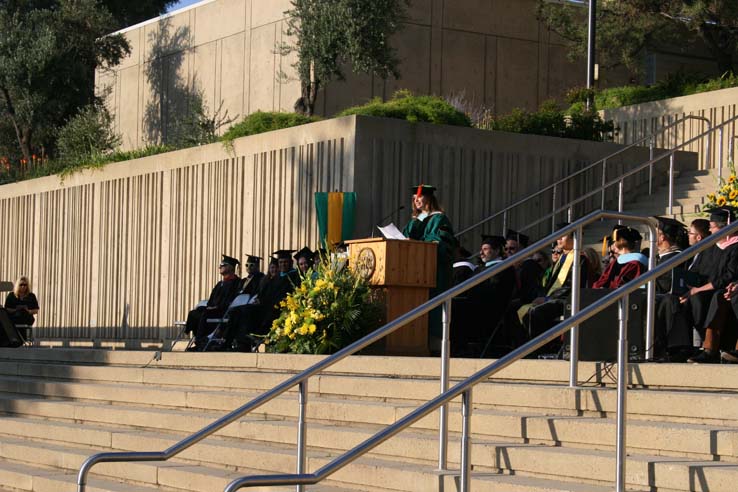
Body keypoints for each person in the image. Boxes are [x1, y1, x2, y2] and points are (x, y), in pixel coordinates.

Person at [516, 223, 589, 350]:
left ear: (574, 238)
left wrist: (547, 299)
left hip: (566, 300)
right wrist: (542, 297)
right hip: (552, 298)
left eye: (563, 236)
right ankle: (517, 350)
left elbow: (572, 286)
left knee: (536, 312)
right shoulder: (562, 257)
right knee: (515, 308)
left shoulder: (580, 259)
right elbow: (550, 284)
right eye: (558, 236)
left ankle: (538, 350)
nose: (559, 239)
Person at [402, 184, 456, 353]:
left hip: (434, 273)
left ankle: (435, 346)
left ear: (429, 198)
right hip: (416, 273)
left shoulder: (439, 219)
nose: (417, 200)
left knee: (433, 313)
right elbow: (407, 237)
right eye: (414, 198)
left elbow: (441, 245)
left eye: (420, 196)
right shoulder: (419, 218)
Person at [687, 208, 738, 363]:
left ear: (726, 227)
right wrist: (688, 288)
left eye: (712, 226)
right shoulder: (710, 247)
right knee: (689, 299)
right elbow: (697, 272)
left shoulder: (735, 246)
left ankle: (710, 349)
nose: (709, 229)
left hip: (725, 288)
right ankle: (684, 348)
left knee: (719, 296)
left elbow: (729, 275)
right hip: (714, 288)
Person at [230, 249, 300, 351]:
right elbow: (265, 294)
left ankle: (254, 337)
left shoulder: (295, 276)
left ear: (291, 262)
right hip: (266, 306)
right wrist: (259, 300)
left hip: (280, 308)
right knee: (240, 310)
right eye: (280, 262)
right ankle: (238, 342)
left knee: (253, 312)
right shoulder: (276, 277)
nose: (283, 265)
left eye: (285, 262)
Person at [185, 255, 242, 351]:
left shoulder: (236, 283)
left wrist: (215, 307)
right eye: (220, 265)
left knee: (204, 314)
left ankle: (200, 342)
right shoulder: (220, 284)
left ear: (231, 267)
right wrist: (210, 307)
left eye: (223, 264)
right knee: (194, 313)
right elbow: (211, 299)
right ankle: (200, 341)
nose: (220, 267)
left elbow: (232, 300)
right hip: (213, 310)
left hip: (223, 311)